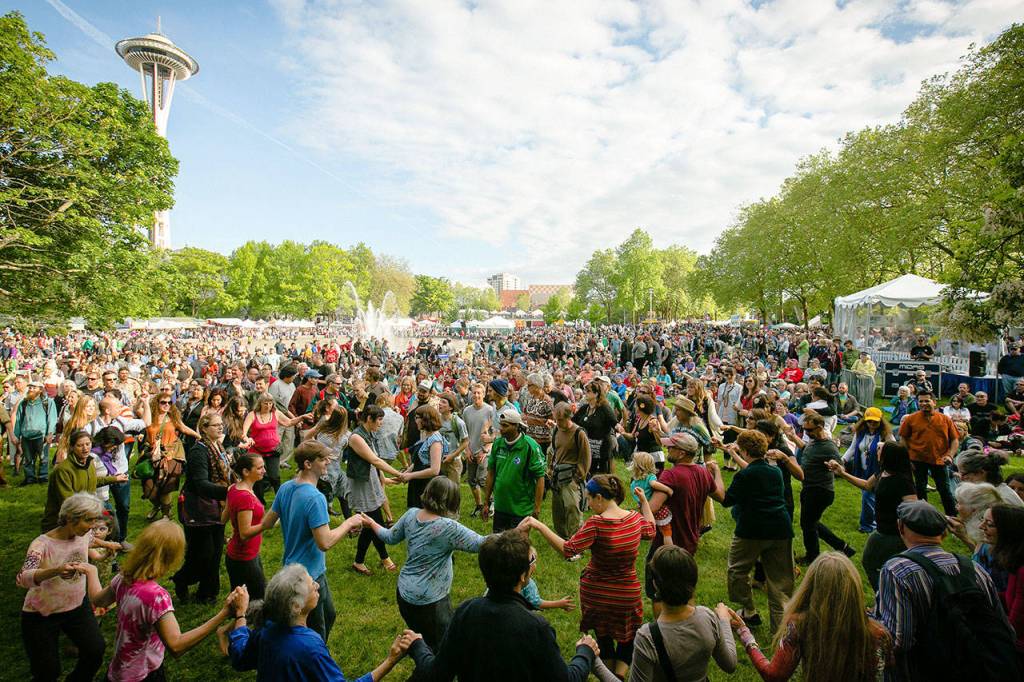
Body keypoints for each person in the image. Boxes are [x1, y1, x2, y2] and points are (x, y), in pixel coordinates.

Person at [405, 529, 600, 682]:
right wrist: (585, 652)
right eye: (531, 561)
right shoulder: (536, 627)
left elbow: (437, 673)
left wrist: (417, 645)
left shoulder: (466, 612)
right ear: (523, 576)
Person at [520, 474, 656, 679]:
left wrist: (539, 526)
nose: (589, 504)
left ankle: (608, 677)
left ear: (599, 497)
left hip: (598, 594)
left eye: (589, 499)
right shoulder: (634, 520)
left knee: (604, 637)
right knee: (628, 638)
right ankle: (618, 677)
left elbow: (569, 549)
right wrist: (644, 502)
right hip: (627, 594)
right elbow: (651, 530)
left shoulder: (597, 524)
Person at [77, 519, 246, 682]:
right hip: (143, 675)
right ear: (172, 557)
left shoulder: (124, 578)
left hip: (119, 670)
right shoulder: (156, 597)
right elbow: (176, 646)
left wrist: (91, 571)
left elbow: (99, 600)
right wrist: (225, 613)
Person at [875, 500, 1016, 681]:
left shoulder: (897, 570)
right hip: (978, 668)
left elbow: (899, 640)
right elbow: (1004, 627)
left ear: (901, 526)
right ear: (943, 532)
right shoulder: (974, 568)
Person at [256, 441, 363, 641]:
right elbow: (325, 542)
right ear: (307, 464)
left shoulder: (286, 487)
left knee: (329, 615)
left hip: (295, 569)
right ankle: (312, 658)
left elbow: (268, 522)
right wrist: (349, 522)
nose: (328, 462)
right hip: (308, 576)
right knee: (316, 631)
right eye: (323, 459)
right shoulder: (315, 498)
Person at [361, 477, 485, 650]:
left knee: (420, 639)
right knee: (440, 648)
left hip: (404, 594)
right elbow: (482, 543)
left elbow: (389, 537)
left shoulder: (411, 514)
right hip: (432, 603)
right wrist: (517, 533)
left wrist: (372, 523)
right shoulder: (448, 527)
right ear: (451, 501)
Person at [227, 564, 407, 682]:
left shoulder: (266, 627)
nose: (317, 585)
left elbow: (240, 658)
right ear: (296, 606)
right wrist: (390, 661)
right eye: (311, 584)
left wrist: (241, 614)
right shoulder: (309, 647)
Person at [730, 552, 892, 682]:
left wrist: (746, 635)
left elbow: (773, 676)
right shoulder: (878, 634)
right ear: (854, 589)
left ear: (810, 586)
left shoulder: (800, 627)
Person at [18, 493, 107, 682]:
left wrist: (108, 546)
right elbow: (23, 578)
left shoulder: (84, 534)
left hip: (77, 607)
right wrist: (55, 570)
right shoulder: (41, 544)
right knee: (47, 672)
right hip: (41, 614)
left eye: (94, 520)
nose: (93, 526)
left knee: (95, 650)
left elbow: (91, 541)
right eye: (88, 520)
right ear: (70, 518)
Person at [722, 429, 794, 631]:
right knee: (780, 581)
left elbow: (727, 500)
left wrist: (716, 475)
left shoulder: (744, 475)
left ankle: (749, 610)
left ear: (745, 451)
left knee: (737, 570)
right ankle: (781, 631)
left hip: (751, 529)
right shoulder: (775, 471)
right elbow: (755, 471)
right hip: (780, 528)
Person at [830, 443, 918, 590]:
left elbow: (913, 508)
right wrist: (842, 473)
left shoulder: (903, 480)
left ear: (888, 456)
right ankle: (885, 594)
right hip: (881, 528)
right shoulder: (882, 472)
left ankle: (885, 595)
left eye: (879, 449)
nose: (876, 451)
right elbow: (866, 485)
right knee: (874, 563)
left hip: (894, 533)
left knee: (874, 563)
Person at [172, 412, 234, 605]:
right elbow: (200, 484)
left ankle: (207, 593)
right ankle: (182, 579)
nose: (220, 427)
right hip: (199, 509)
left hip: (216, 506)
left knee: (215, 552)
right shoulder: (198, 451)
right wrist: (229, 491)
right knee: (201, 554)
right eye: (216, 425)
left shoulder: (218, 447)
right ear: (204, 429)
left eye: (221, 424)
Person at [344, 405, 405, 575]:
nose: (381, 423)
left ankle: (360, 561)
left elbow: (374, 464)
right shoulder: (356, 437)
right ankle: (383, 558)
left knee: (370, 524)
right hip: (362, 486)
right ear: (369, 419)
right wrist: (399, 474)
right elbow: (375, 460)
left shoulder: (369, 434)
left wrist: (385, 480)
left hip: (370, 482)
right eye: (379, 420)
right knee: (375, 522)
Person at [41, 429, 128, 532]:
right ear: (72, 447)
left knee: (113, 528)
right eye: (80, 445)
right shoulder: (63, 470)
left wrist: (115, 479)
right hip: (62, 523)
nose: (85, 448)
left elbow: (91, 481)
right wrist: (92, 515)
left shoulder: (89, 462)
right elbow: (68, 501)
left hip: (85, 515)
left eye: (87, 444)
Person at [798, 412, 855, 563]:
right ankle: (843, 547)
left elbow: (841, 467)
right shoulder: (814, 440)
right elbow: (806, 449)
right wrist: (792, 437)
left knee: (808, 525)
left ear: (820, 428)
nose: (806, 432)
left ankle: (812, 557)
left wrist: (835, 465)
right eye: (804, 429)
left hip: (820, 490)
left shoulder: (828, 446)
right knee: (810, 522)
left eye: (809, 430)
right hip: (809, 488)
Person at [481, 410, 546, 531]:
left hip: (521, 509)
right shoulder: (498, 444)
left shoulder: (530, 446)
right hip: (500, 507)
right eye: (500, 425)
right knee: (499, 541)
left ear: (516, 426)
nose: (501, 429)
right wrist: (486, 502)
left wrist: (537, 508)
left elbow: (540, 478)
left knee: (517, 542)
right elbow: (491, 473)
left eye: (505, 425)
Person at [142, 393, 200, 521]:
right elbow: (144, 424)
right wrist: (145, 402)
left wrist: (199, 437)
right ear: (156, 403)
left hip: (171, 456)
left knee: (166, 489)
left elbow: (183, 428)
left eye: (169, 402)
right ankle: (157, 505)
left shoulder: (172, 417)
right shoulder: (150, 417)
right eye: (163, 402)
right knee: (149, 490)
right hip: (152, 456)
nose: (166, 405)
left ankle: (166, 514)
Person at [242, 393, 310, 503]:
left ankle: (281, 499)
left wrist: (302, 417)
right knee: (258, 477)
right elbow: (244, 432)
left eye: (270, 403)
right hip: (257, 451)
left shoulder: (276, 413)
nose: (268, 406)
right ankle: (259, 501)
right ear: (260, 403)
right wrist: (247, 438)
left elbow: (289, 422)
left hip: (273, 450)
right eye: (265, 403)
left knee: (275, 477)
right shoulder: (252, 415)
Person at [899, 391, 959, 515]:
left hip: (940, 460)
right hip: (917, 460)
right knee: (920, 489)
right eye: (920, 401)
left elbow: (955, 440)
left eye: (927, 400)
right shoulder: (911, 419)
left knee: (944, 490)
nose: (923, 403)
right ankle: (923, 516)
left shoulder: (945, 419)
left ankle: (952, 518)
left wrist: (950, 455)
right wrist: (907, 457)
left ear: (934, 402)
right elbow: (903, 438)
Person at [841, 407, 895, 533]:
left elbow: (894, 451)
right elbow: (852, 448)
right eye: (869, 421)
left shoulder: (886, 435)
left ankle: (867, 525)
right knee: (871, 498)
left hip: (878, 471)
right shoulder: (860, 432)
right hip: (863, 470)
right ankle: (879, 521)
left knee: (867, 496)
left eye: (875, 421)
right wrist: (842, 460)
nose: (872, 424)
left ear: (880, 421)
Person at [223, 453, 268, 600]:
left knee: (242, 599)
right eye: (259, 468)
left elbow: (223, 517)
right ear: (246, 471)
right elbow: (244, 533)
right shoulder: (245, 497)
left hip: (243, 554)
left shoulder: (234, 488)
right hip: (243, 558)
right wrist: (266, 524)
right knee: (257, 599)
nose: (264, 471)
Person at [549, 401, 591, 539]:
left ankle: (576, 540)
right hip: (557, 475)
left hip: (571, 477)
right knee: (558, 511)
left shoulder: (579, 433)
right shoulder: (556, 430)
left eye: (560, 420)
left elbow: (586, 457)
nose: (558, 422)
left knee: (572, 509)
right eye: (556, 419)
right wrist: (551, 468)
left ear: (569, 417)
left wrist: (578, 477)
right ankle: (563, 539)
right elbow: (554, 451)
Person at [987, 504, 1024, 652]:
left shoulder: (1022, 570)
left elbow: (1017, 620)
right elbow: (1011, 597)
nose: (981, 527)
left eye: (989, 524)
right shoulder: (1016, 562)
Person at [12, 380, 57, 485]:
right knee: (28, 459)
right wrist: (16, 435)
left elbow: (52, 419)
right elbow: (18, 420)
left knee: (43, 458)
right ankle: (30, 478)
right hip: (26, 435)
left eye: (34, 387)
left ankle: (43, 477)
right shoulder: (24, 403)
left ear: (40, 390)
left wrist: (50, 433)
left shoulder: (48, 402)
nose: (31, 389)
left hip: (41, 436)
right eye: (30, 387)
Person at [462, 383, 497, 517]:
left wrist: (486, 450)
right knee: (471, 480)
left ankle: (492, 501)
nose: (476, 395)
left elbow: (494, 433)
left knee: (482, 479)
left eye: (479, 393)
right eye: (474, 392)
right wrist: (467, 450)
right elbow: (464, 433)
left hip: (485, 451)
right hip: (471, 450)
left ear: (483, 394)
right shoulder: (466, 411)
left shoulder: (490, 411)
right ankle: (479, 505)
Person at [573, 381, 618, 476]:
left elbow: (614, 422)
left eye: (588, 391)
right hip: (586, 447)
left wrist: (620, 428)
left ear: (596, 393)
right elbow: (573, 422)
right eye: (585, 391)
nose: (585, 393)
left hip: (601, 449)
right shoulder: (584, 408)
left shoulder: (604, 408)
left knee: (600, 477)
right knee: (586, 474)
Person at [406, 404, 445, 508]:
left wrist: (411, 475)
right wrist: (405, 474)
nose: (415, 421)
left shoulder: (435, 440)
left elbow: (434, 470)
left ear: (425, 419)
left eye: (417, 418)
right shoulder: (425, 435)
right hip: (418, 481)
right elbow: (419, 461)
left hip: (427, 484)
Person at [956, 448, 1024, 507]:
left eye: (963, 474)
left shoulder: (1001, 500)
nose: (961, 478)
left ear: (981, 473)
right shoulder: (989, 493)